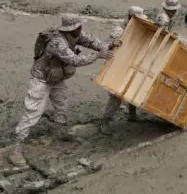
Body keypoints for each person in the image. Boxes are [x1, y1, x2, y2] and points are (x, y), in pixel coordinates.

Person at [10, 14, 112, 166]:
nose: (81, 29)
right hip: (41, 79)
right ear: (71, 29)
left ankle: (61, 133)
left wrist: (103, 47)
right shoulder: (57, 42)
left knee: (61, 106)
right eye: (78, 27)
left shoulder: (76, 34)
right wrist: (98, 55)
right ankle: (16, 148)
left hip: (56, 78)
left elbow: (90, 41)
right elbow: (74, 60)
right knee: (33, 113)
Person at [100, 7, 147, 135]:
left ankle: (132, 115)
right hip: (117, 65)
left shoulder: (139, 27)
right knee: (116, 94)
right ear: (130, 18)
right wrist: (113, 44)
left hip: (132, 63)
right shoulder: (119, 30)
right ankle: (105, 122)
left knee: (132, 88)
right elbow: (103, 46)